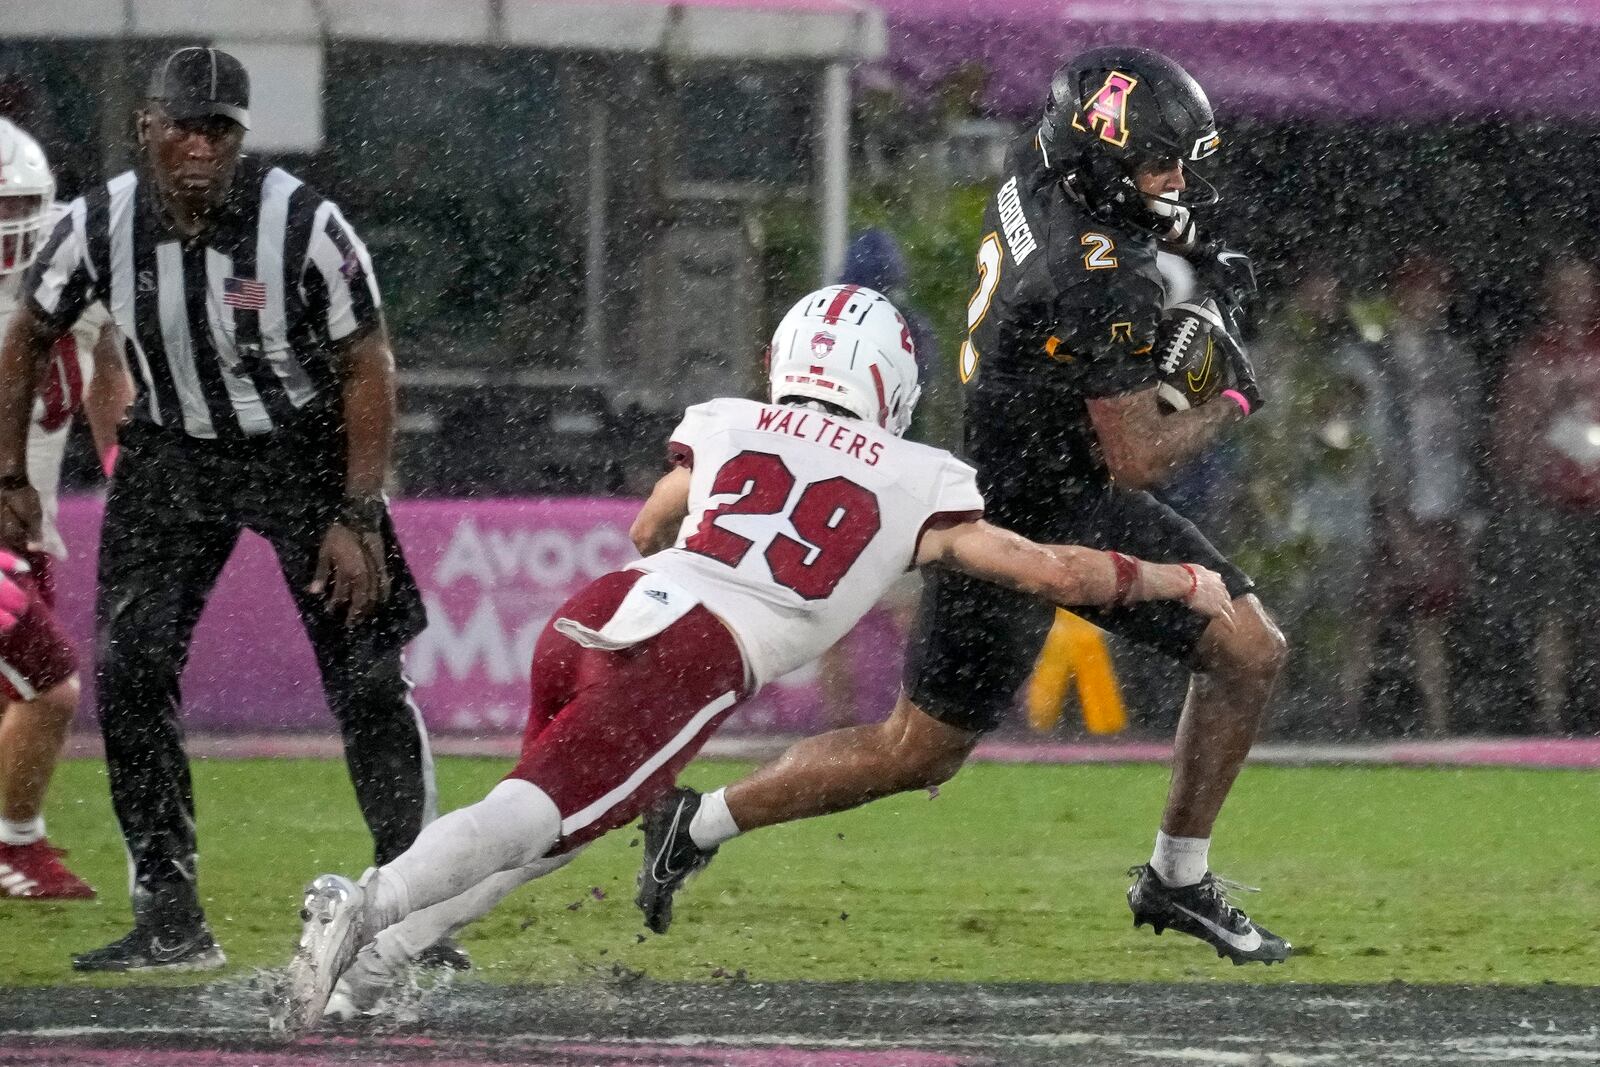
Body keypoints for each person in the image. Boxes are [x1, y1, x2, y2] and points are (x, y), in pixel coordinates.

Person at [272, 284, 1236, 1032]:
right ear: (890, 380)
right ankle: (364, 905)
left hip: (605, 610)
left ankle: (373, 962)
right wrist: (1174, 580)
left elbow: (652, 520)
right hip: (693, 653)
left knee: (554, 828)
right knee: (531, 815)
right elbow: (1045, 570)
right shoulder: (917, 475)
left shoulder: (731, 419)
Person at [635, 46, 1291, 965]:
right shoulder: (1100, 274)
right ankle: (694, 823)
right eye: (1156, 163)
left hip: (1028, 475)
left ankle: (1176, 877)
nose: (1176, 180)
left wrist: (1172, 274)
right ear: (1101, 166)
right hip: (1036, 511)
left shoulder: (1046, 169)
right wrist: (1228, 398)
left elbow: (1104, 272)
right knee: (917, 751)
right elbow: (1138, 454)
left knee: (1247, 649)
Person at [1, 47, 440, 970]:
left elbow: (370, 363)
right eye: (183, 125)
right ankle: (170, 913)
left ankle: (414, 906)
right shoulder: (98, 223)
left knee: (365, 674)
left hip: (304, 448)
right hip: (170, 451)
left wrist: (358, 510)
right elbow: (30, 331)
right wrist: (9, 474)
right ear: (145, 128)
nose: (200, 145)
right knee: (133, 669)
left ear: (242, 138)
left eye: (220, 129)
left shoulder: (305, 226)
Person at [0, 118, 129, 899]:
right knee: (51, 684)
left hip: (29, 531)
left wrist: (130, 466)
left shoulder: (71, 268)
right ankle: (18, 845)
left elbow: (107, 366)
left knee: (22, 694)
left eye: (13, 203)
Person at [1488, 255, 1600, 733]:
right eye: (1566, 288)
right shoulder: (1534, 353)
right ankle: (1551, 711)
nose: (1576, 297)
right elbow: (1510, 431)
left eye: (1584, 288)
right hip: (1550, 500)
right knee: (1552, 609)